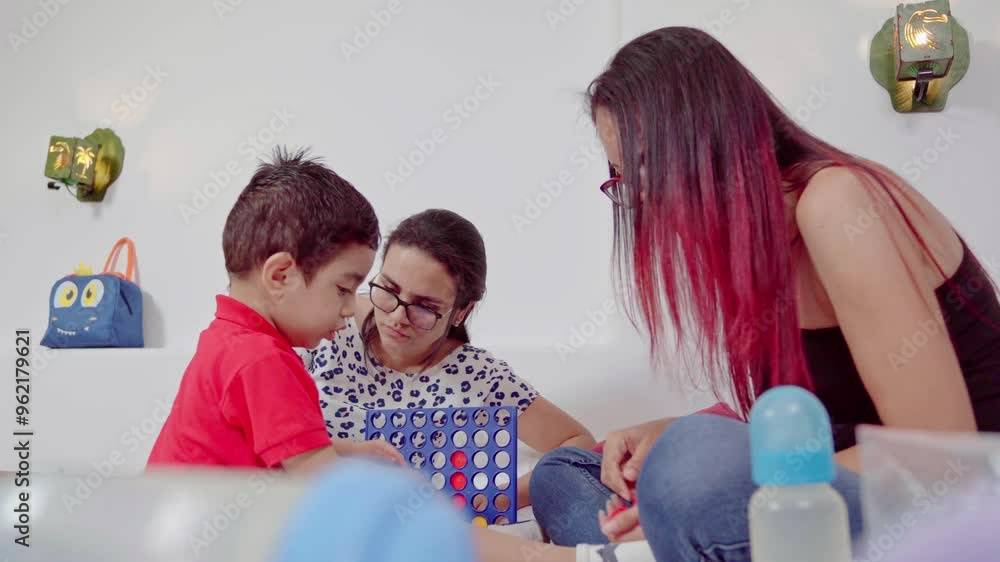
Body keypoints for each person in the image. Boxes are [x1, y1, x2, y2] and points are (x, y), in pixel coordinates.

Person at [524, 26, 1000, 562]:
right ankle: (659, 543)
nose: (647, 199)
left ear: (708, 139)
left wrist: (708, 483)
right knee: (564, 471)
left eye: (647, 166)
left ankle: (602, 553)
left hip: (951, 500)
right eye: (625, 179)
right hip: (842, 484)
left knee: (691, 468)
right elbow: (822, 426)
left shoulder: (838, 203)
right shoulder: (755, 248)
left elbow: (939, 457)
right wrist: (672, 438)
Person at [307, 208, 596, 510]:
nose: (398, 317)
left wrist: (489, 500)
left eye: (424, 306)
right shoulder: (329, 319)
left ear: (460, 311)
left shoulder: (479, 377)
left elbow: (578, 443)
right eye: (389, 289)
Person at [147, 147, 403, 472]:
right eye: (343, 289)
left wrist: (353, 450)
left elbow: (289, 444)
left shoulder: (227, 339)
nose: (350, 309)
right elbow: (320, 481)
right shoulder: (262, 359)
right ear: (281, 276)